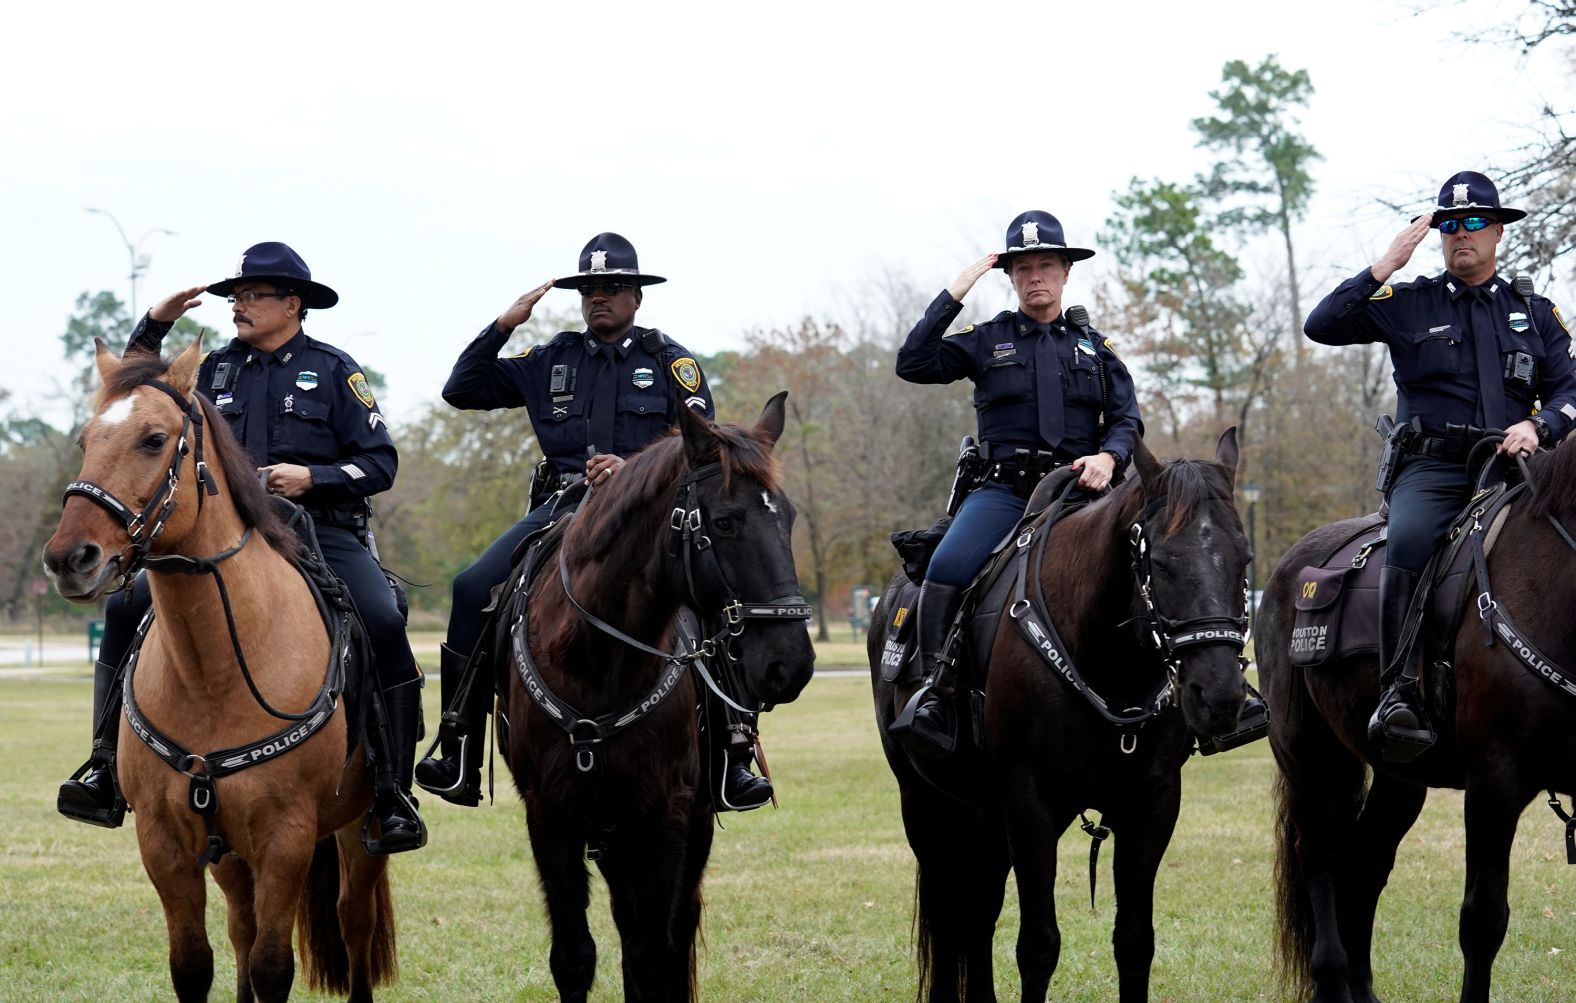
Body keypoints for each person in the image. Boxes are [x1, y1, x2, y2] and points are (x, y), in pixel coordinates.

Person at [57, 242, 427, 853]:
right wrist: (156, 322)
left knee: (383, 619)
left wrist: (314, 477)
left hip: (319, 529)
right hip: (225, 536)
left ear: (293, 304)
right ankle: (102, 766)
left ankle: (391, 791)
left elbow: (380, 462)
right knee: (124, 608)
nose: (239, 306)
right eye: (236, 296)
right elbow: (134, 394)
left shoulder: (335, 371)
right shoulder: (215, 369)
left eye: (254, 296)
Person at [414, 232, 774, 811]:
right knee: (472, 587)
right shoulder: (551, 358)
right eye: (588, 289)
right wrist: (504, 325)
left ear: (636, 296)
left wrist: (632, 469)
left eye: (611, 288)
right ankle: (457, 740)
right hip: (564, 505)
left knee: (709, 592)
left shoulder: (670, 363)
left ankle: (734, 748)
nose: (598, 298)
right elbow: (463, 389)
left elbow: (700, 449)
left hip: (646, 517)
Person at [1305, 170, 1576, 762]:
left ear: (1499, 231)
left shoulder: (1534, 312)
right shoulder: (1408, 303)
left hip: (1518, 469)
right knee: (1407, 540)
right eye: (1450, 225)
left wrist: (1540, 425)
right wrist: (1384, 266)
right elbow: (1321, 326)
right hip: (1434, 469)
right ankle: (1398, 689)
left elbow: (1570, 390)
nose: (1462, 235)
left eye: (1475, 222)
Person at [890, 210, 1142, 753]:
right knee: (947, 566)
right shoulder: (986, 340)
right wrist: (955, 291)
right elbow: (913, 362)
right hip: (1006, 493)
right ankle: (938, 694)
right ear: (1009, 277)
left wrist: (1110, 456)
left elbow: (1127, 419)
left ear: (1065, 272)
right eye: (1023, 269)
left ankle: (1189, 691)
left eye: (1046, 265)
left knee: (1167, 557)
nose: (1036, 278)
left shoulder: (1097, 350)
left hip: (1086, 492)